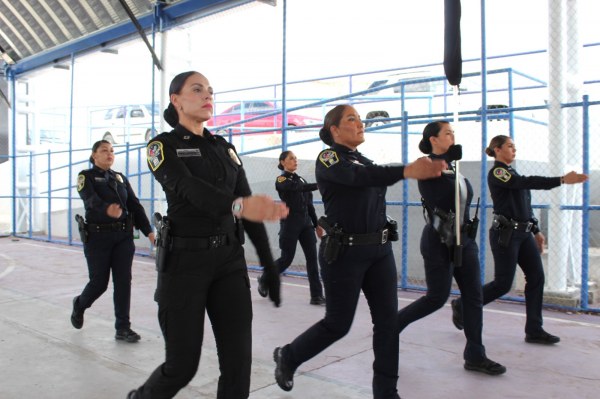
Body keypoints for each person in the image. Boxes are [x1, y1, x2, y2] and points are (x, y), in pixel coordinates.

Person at [127, 71, 288, 399]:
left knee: (238, 363)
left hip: (229, 262)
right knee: (182, 365)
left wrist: (269, 266)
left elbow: (248, 211)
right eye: (197, 90)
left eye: (211, 91)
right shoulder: (162, 146)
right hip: (184, 264)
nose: (207, 96)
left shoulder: (224, 149)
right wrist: (239, 206)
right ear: (176, 100)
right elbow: (188, 189)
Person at [272, 104, 446, 399]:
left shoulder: (363, 159)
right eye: (351, 119)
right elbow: (359, 178)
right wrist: (406, 170)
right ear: (334, 130)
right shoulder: (329, 158)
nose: (360, 123)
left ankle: (386, 393)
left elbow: (370, 175)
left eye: (360, 118)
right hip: (344, 254)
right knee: (338, 324)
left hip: (379, 252)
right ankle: (288, 356)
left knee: (388, 324)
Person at [451, 134, 588, 344]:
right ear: (497, 150)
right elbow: (522, 183)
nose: (514, 150)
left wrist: (536, 231)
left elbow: (525, 206)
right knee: (503, 284)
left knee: (536, 277)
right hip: (505, 235)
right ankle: (462, 304)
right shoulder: (498, 172)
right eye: (509, 146)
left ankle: (534, 329)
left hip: (523, 235)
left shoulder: (513, 173)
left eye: (514, 146)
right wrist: (561, 180)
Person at [396, 121, 506, 376]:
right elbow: (437, 190)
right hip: (438, 240)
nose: (452, 136)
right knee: (436, 297)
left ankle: (475, 355)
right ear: (433, 139)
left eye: (453, 133)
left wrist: (449, 161)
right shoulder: (426, 166)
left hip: (464, 241)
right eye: (447, 133)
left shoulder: (456, 169)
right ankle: (393, 324)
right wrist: (443, 160)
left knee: (474, 298)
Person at [71, 139, 155, 343]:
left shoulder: (120, 178)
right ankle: (80, 304)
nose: (109, 154)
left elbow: (134, 205)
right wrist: (106, 209)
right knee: (99, 283)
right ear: (94, 155)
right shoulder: (86, 176)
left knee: (123, 281)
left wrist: (149, 232)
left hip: (123, 237)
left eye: (112, 151)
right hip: (98, 237)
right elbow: (89, 199)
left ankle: (123, 328)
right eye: (104, 150)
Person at [257, 150, 325, 305]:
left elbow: (310, 206)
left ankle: (316, 295)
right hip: (290, 223)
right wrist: (320, 185)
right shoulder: (281, 180)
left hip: (306, 224)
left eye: (296, 158)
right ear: (283, 162)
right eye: (291, 158)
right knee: (287, 258)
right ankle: (266, 277)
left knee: (312, 259)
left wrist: (316, 225)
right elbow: (297, 188)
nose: (295, 160)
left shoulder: (302, 180)